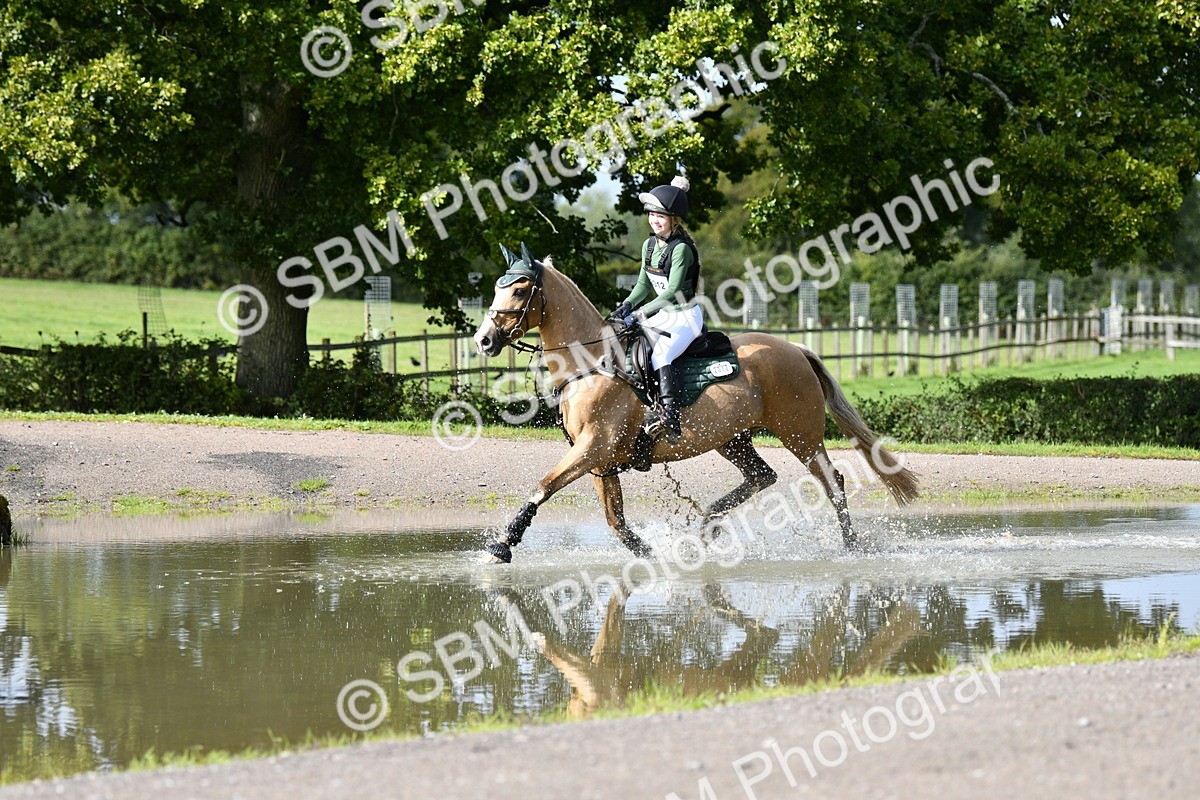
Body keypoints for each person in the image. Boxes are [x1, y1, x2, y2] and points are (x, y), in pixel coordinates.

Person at [610, 176, 705, 443]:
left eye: (661, 215)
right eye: (652, 214)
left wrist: (641, 314)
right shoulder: (649, 245)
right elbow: (643, 284)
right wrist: (627, 305)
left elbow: (672, 290)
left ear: (674, 219)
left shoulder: (682, 249)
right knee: (630, 347)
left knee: (661, 355)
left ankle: (670, 418)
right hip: (664, 314)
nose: (655, 219)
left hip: (685, 316)